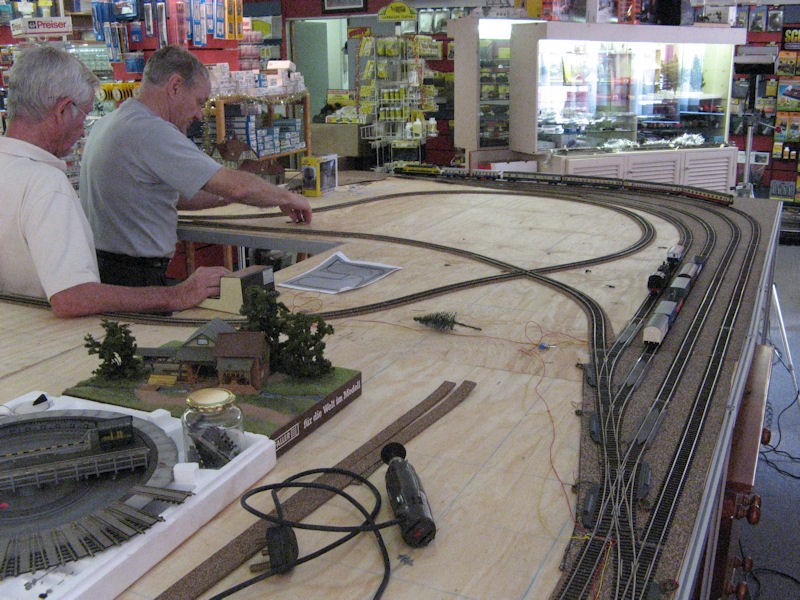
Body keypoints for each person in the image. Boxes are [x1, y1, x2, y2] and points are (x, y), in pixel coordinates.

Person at [0, 45, 228, 318]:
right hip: (46, 344)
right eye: (84, 114)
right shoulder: (45, 184)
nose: (83, 127)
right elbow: (73, 297)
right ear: (62, 111)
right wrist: (179, 294)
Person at [80, 45, 313, 287]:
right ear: (175, 86)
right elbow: (237, 188)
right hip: (134, 275)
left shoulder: (113, 121)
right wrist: (285, 197)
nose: (200, 115)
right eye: (199, 102)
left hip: (108, 268)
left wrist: (235, 191)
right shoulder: (151, 130)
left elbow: (177, 197)